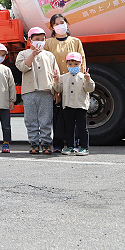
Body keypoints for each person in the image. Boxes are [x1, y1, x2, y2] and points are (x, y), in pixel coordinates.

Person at [44, 14, 86, 153]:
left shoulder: (75, 42)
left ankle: (75, 144)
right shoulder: (48, 43)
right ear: (52, 27)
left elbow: (82, 62)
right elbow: (47, 65)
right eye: (56, 24)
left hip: (74, 84)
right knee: (58, 116)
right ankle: (57, 144)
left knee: (75, 116)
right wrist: (55, 89)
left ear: (67, 23)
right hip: (57, 84)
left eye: (62, 22)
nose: (60, 26)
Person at [16, 27, 59, 155]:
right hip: (29, 91)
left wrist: (57, 91)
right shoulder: (23, 54)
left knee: (46, 118)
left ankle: (46, 142)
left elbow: (56, 74)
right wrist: (33, 55)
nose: (39, 42)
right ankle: (33, 142)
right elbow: (22, 67)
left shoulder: (49, 55)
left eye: (42, 39)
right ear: (30, 40)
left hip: (46, 91)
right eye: (36, 40)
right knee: (30, 119)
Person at [53, 52, 94, 156]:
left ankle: (84, 147)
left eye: (76, 64)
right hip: (67, 106)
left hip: (80, 106)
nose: (73, 67)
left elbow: (90, 89)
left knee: (82, 128)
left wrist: (88, 80)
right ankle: (70, 146)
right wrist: (56, 81)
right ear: (67, 64)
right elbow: (58, 89)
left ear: (80, 64)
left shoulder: (84, 77)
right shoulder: (63, 77)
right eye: (70, 64)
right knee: (69, 128)